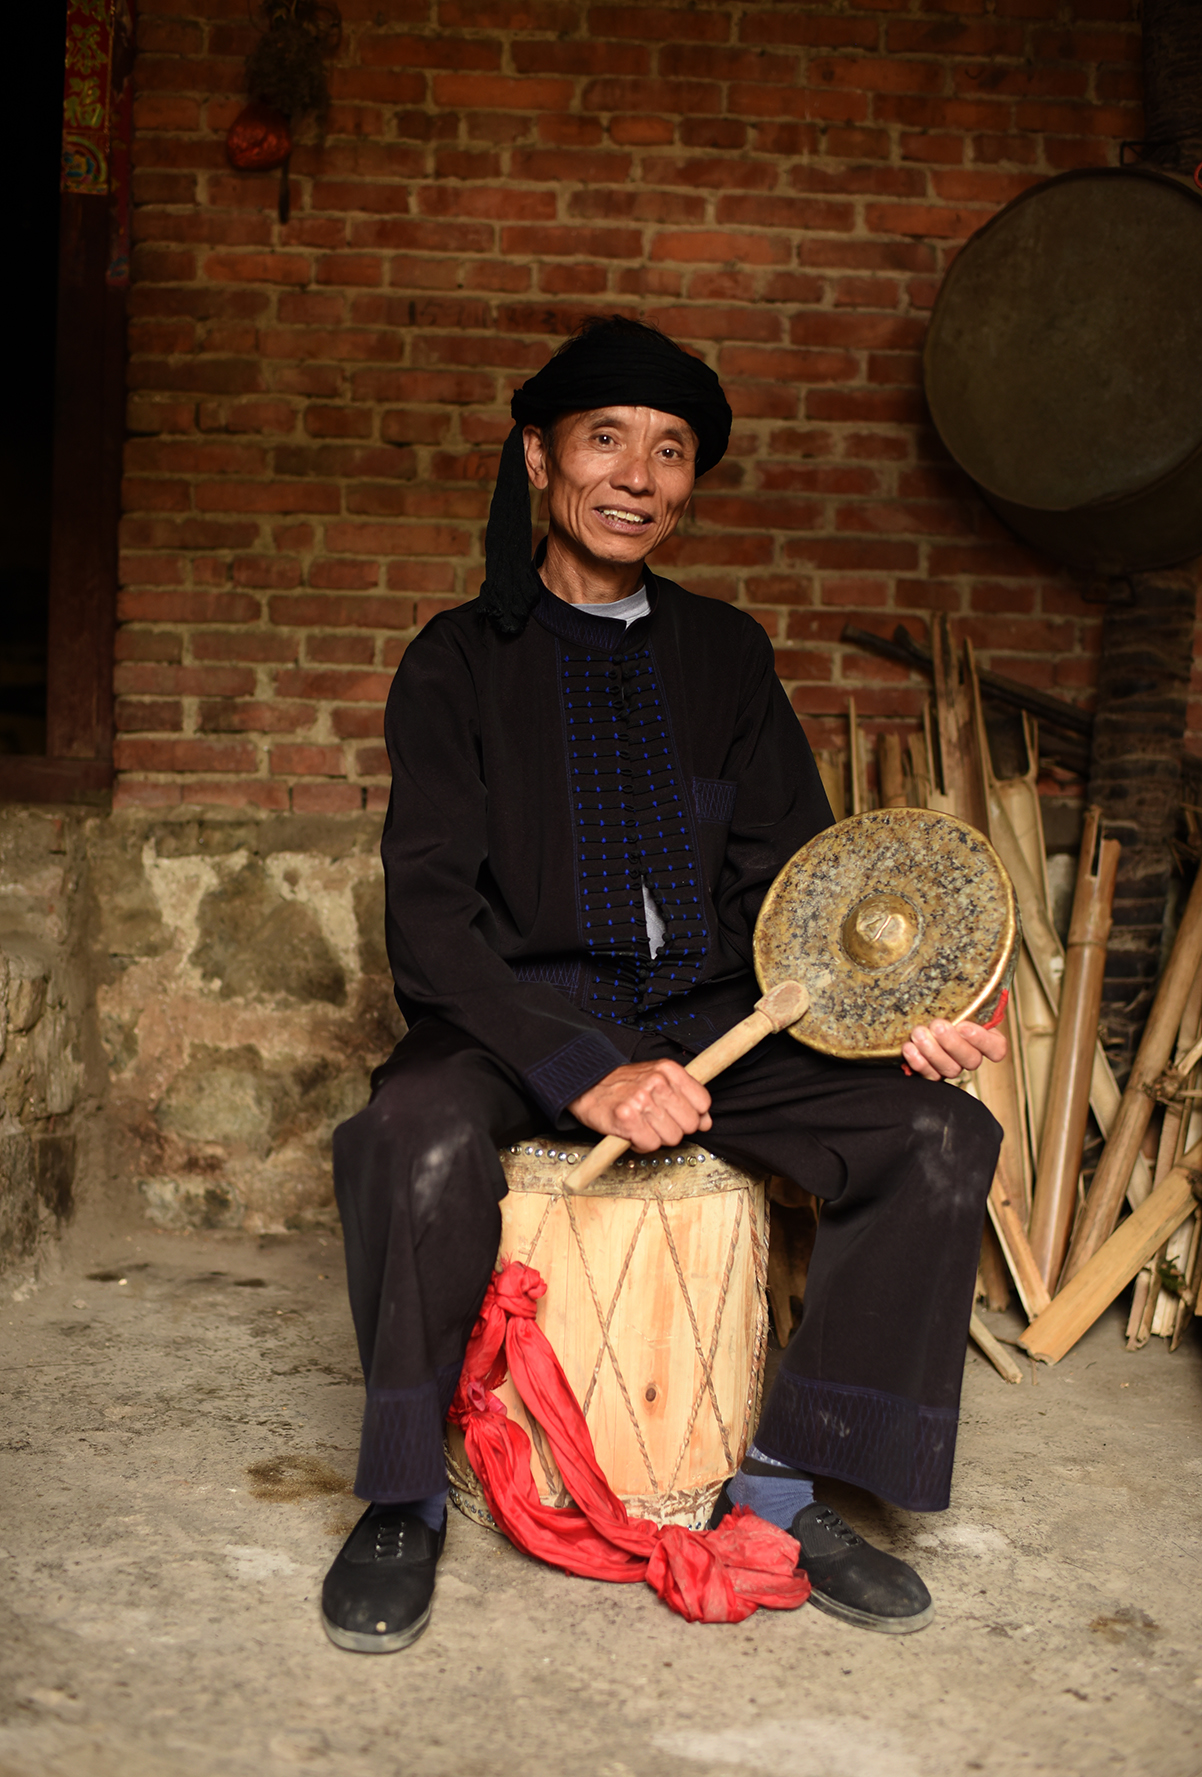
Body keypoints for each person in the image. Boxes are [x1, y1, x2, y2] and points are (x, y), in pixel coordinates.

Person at [322, 316, 1006, 1654]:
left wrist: (895, 1016)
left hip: (718, 1017)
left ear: (691, 483)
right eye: (606, 439)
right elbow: (430, 922)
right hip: (514, 1018)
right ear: (539, 457)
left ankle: (785, 1485)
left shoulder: (726, 658)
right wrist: (583, 1071)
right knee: (403, 1131)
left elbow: (798, 896)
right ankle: (404, 1491)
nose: (638, 474)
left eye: (672, 450)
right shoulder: (454, 662)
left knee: (937, 1136)